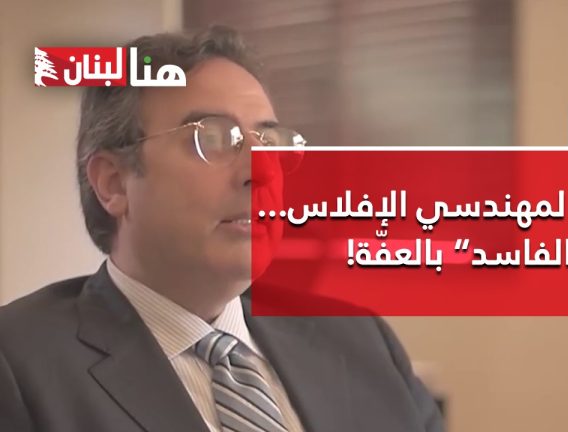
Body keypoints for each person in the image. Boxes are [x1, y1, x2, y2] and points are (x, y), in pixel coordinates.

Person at [0, 26, 444, 432]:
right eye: (212, 138)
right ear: (114, 183)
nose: (261, 172)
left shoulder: (361, 342)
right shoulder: (19, 366)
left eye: (270, 142)